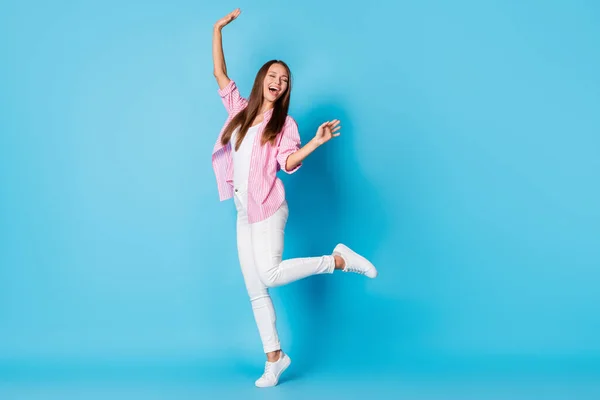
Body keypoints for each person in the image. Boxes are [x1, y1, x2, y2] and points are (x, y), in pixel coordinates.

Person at [211, 8, 378, 388]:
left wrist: (316, 143)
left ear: (286, 89)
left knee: (269, 273)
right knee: (256, 289)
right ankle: (275, 359)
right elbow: (220, 75)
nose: (278, 82)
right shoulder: (239, 112)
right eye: (273, 76)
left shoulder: (284, 125)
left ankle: (338, 260)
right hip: (242, 211)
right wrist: (217, 29)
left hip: (269, 208)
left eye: (284, 80)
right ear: (261, 80)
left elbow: (287, 162)